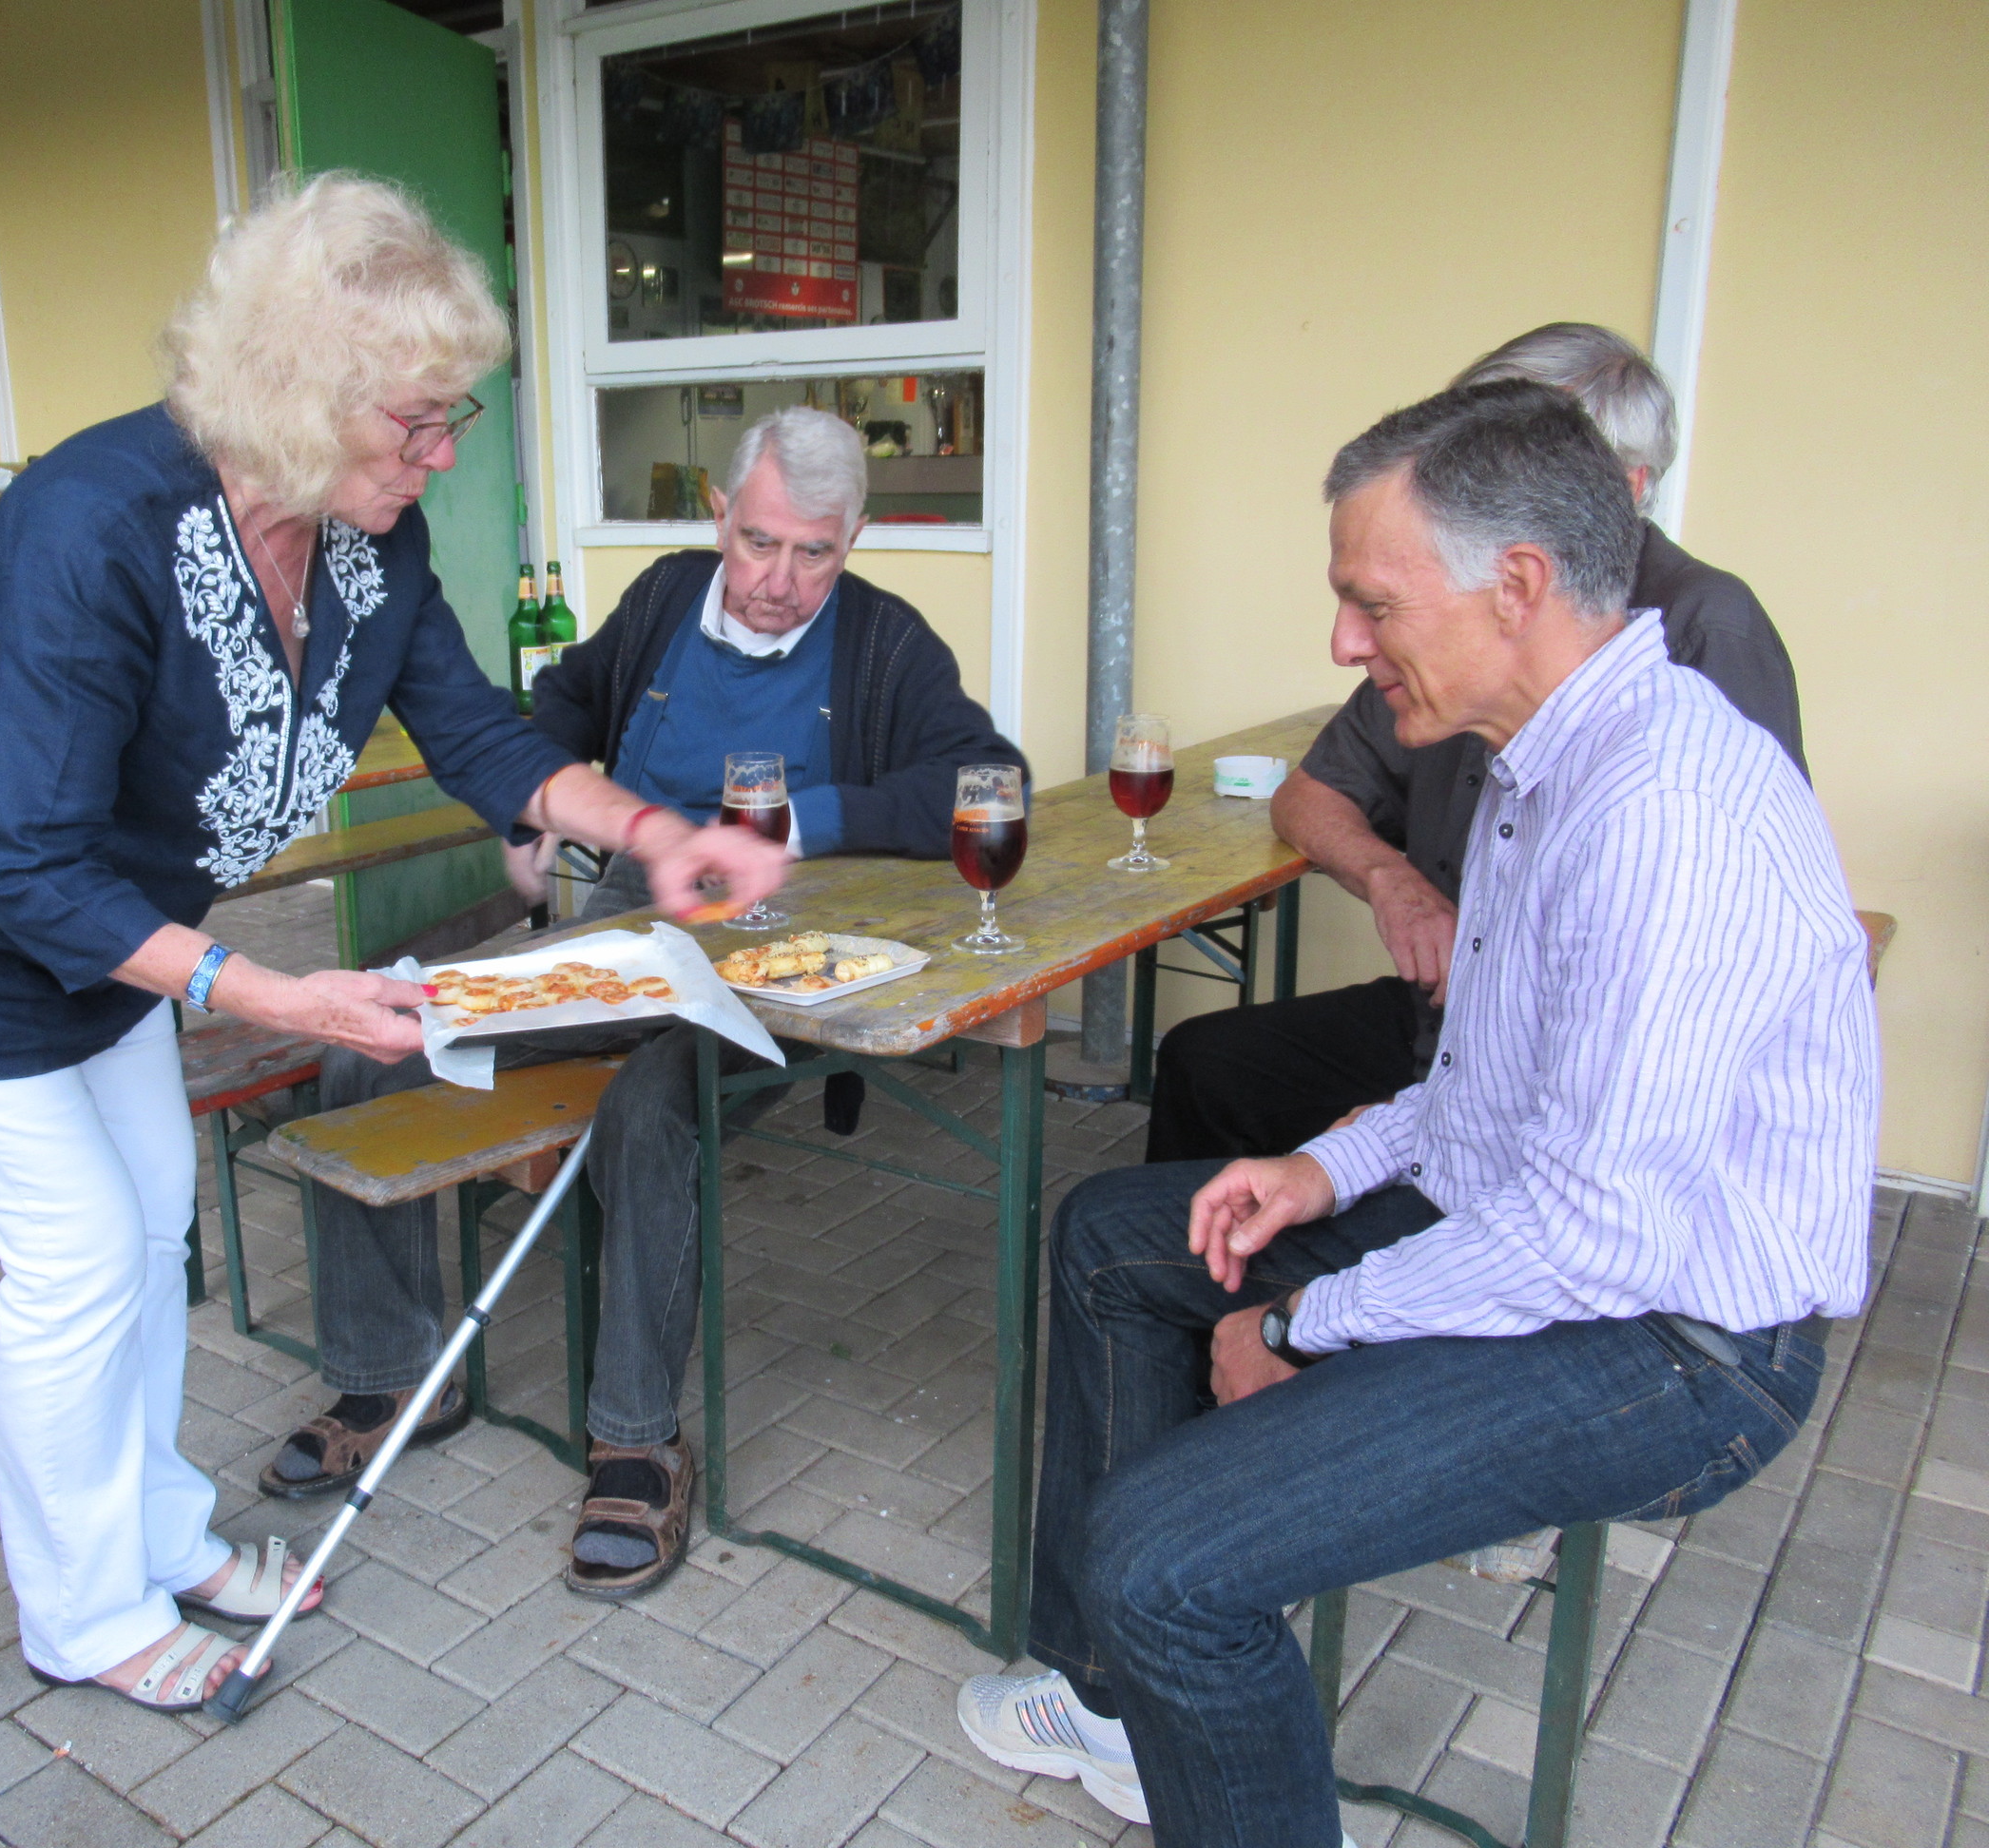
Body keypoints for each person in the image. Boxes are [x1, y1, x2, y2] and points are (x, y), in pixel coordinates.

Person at [0, 174, 782, 1713]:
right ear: (297, 394)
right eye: (416, 422)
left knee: (153, 1212)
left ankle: (158, 1535)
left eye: (450, 417)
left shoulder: (369, 538)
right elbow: (26, 861)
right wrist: (273, 993)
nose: (445, 454)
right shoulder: (98, 525)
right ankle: (79, 1610)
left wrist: (652, 832)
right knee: (78, 1254)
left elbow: (477, 735)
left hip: (111, 914)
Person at [954, 380, 1875, 1841]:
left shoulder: (1664, 809)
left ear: (1518, 586)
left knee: (1161, 1563)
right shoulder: (1538, 763)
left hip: (1683, 1342)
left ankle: (1155, 1640)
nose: (1342, 641)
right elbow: (1475, 1096)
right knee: (1114, 1235)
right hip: (1548, 1236)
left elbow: (1592, 1237)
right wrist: (1319, 1173)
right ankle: (1118, 1705)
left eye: (1371, 603)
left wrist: (1302, 1326)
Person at [257, 406, 1025, 1601]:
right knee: (381, 1038)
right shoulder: (667, 595)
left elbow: (989, 778)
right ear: (720, 516)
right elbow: (564, 700)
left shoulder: (885, 640)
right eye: (758, 541)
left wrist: (797, 823)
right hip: (627, 918)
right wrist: (531, 805)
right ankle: (392, 1374)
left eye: (814, 553)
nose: (778, 582)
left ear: (854, 540)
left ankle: (636, 1440)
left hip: (775, 948)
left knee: (652, 1102)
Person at [1147, 323, 1806, 1163]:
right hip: (1447, 1022)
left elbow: (1701, 991)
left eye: (1525, 450)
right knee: (1206, 1066)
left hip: (1569, 1067)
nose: (1476, 484)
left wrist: (1381, 1153)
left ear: (1625, 486)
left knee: (1125, 1217)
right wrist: (1395, 883)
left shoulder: (1705, 634)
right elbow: (1312, 791)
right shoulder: (1449, 631)